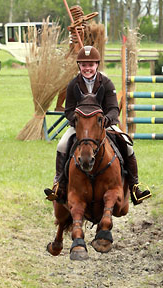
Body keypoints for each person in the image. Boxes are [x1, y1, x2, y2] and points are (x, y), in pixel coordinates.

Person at [45, 45, 151, 205]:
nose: (87, 68)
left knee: (127, 145)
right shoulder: (73, 84)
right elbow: (68, 110)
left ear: (97, 65)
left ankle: (135, 187)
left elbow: (114, 108)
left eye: (91, 65)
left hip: (104, 125)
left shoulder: (106, 83)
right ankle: (59, 185)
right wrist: (77, 122)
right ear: (79, 66)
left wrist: (105, 121)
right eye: (84, 65)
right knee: (61, 145)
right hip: (80, 127)